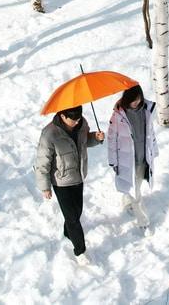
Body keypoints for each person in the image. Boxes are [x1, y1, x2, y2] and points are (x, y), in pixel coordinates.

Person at [34, 105, 104, 263]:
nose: (76, 121)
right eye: (73, 119)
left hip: (78, 175)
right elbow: (42, 162)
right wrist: (45, 187)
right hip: (61, 181)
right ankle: (80, 251)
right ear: (63, 116)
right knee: (72, 217)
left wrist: (96, 138)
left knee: (77, 211)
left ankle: (68, 232)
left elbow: (85, 141)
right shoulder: (49, 134)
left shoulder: (82, 124)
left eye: (78, 118)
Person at [105, 85, 158, 229]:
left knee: (137, 186)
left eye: (138, 99)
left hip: (143, 156)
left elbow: (151, 133)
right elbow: (112, 139)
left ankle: (128, 201)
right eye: (132, 100)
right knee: (136, 191)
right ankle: (143, 221)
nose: (136, 103)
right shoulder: (118, 116)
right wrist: (113, 161)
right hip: (127, 160)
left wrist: (154, 150)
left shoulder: (146, 110)